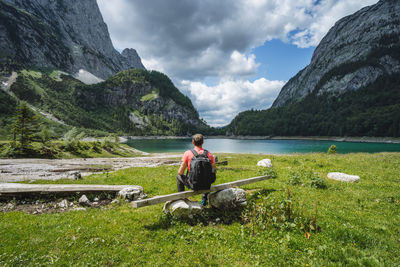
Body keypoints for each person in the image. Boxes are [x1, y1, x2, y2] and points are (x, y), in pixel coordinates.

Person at [177, 133, 217, 206]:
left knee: (178, 176)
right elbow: (214, 170)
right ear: (203, 142)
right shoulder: (209, 154)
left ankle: (181, 198)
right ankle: (204, 198)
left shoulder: (188, 153)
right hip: (207, 185)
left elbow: (180, 172)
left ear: (193, 142)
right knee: (207, 176)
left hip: (193, 185)